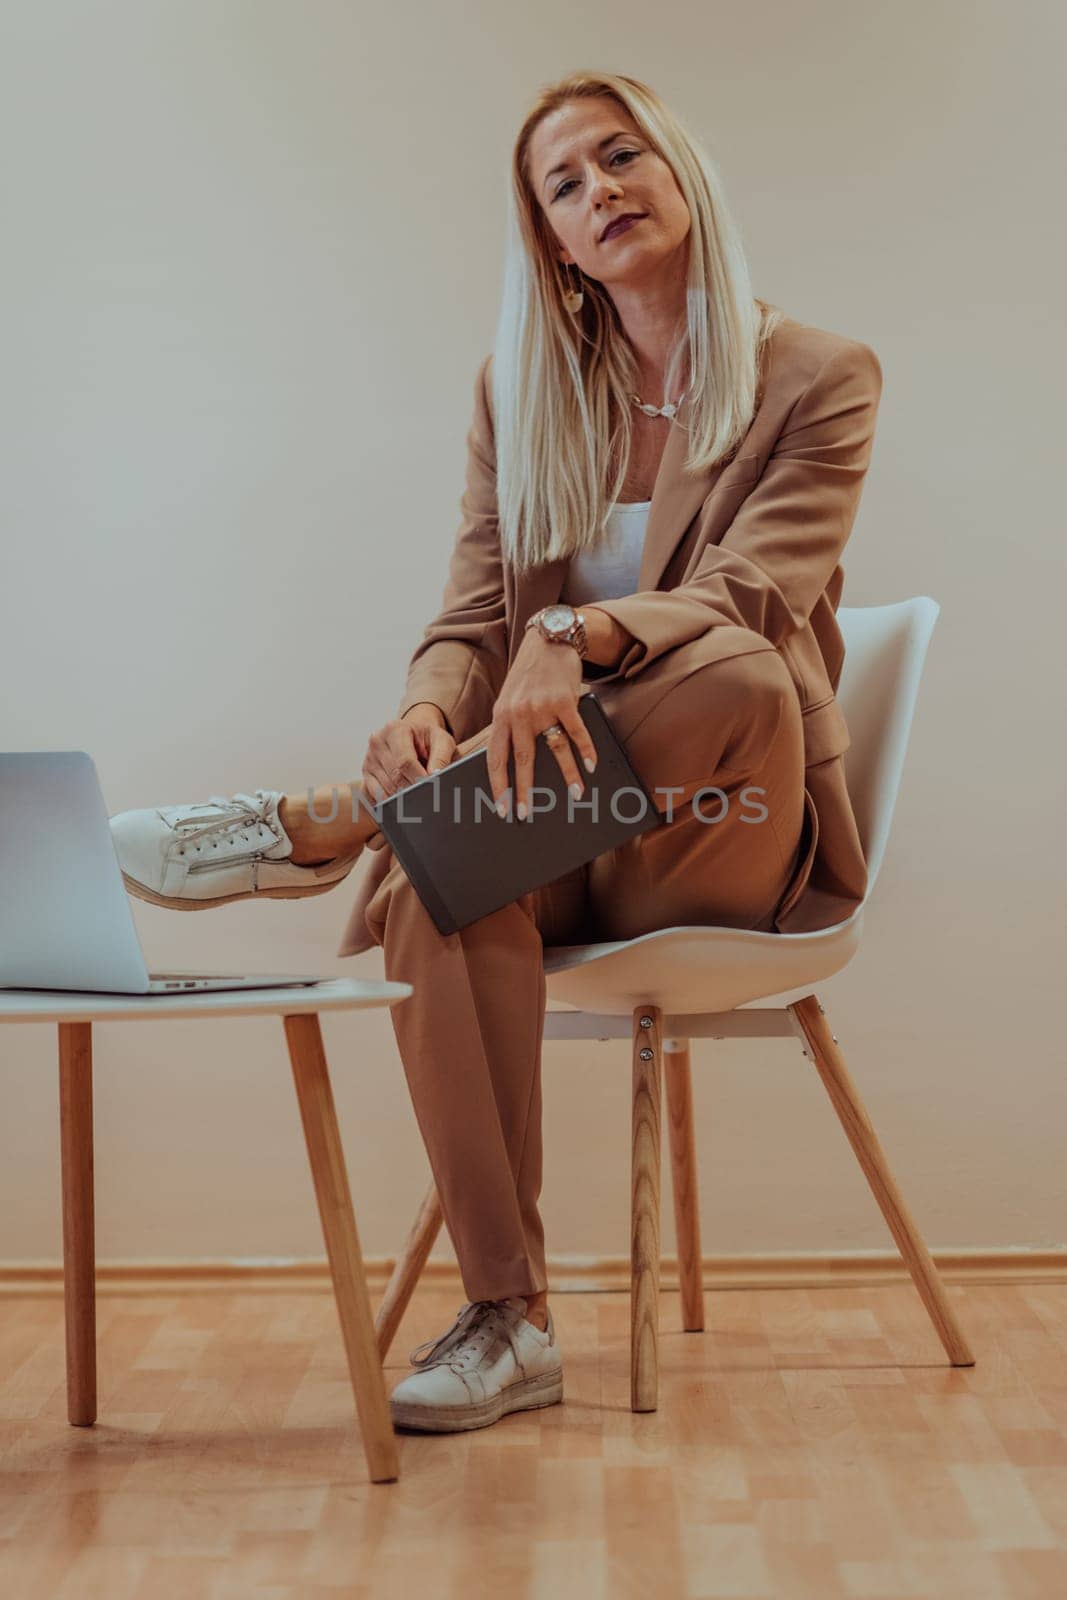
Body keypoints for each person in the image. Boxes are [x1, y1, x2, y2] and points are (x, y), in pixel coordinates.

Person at [109, 69, 882, 1434]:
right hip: (547, 827)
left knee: (737, 663)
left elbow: (755, 594)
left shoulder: (817, 374)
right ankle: (508, 1319)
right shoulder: (521, 394)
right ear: (553, 243)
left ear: (680, 169)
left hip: (723, 817)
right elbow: (471, 617)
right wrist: (427, 707)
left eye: (620, 155)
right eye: (564, 186)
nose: (601, 191)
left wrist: (580, 632)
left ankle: (338, 818)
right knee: (435, 881)